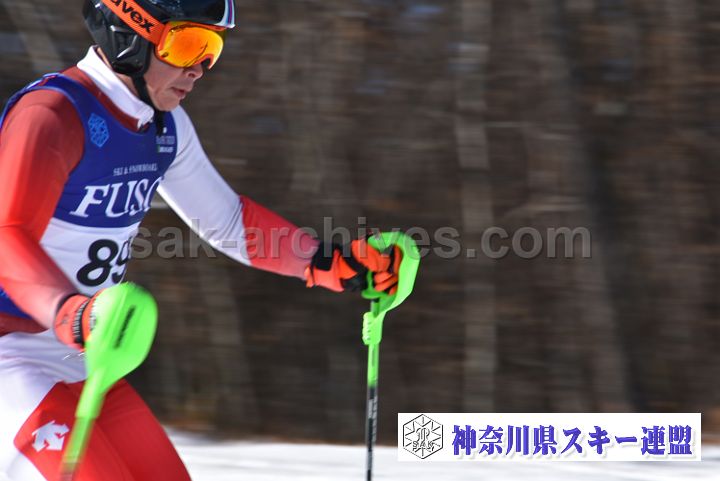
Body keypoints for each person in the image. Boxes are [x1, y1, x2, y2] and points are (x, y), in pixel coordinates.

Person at [0, 0, 401, 479]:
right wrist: (69, 312)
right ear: (127, 33)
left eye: (212, 48)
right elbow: (8, 235)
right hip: (12, 357)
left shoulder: (162, 127)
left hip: (83, 354)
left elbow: (228, 221)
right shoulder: (52, 114)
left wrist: (325, 263)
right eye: (188, 44)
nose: (200, 68)